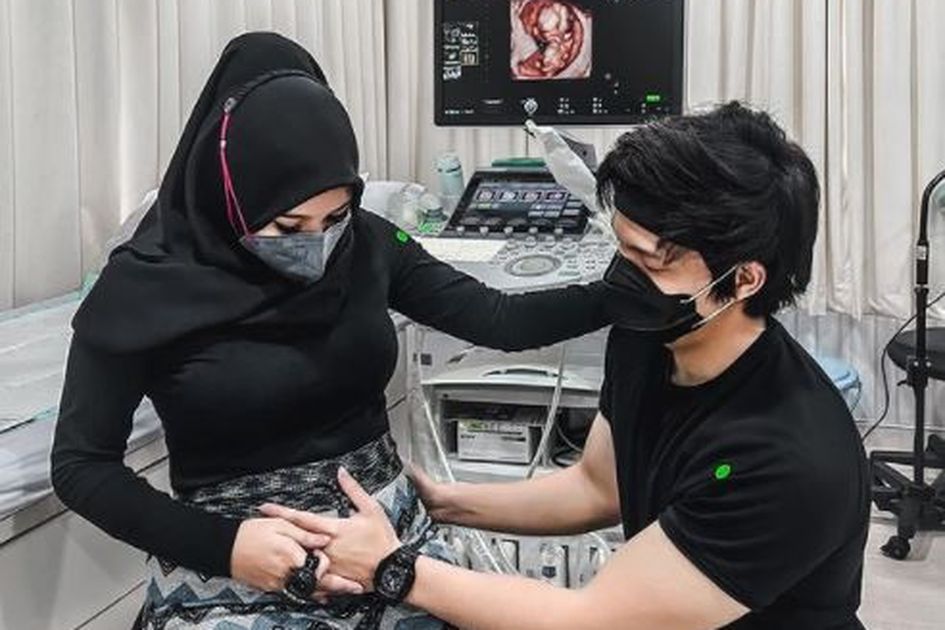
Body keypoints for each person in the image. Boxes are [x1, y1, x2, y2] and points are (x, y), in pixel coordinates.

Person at [50, 32, 611, 629]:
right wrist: (229, 548)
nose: (316, 245)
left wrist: (631, 289)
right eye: (289, 226)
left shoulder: (367, 243)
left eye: (335, 217)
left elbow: (499, 319)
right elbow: (82, 466)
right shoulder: (143, 287)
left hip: (388, 543)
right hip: (236, 569)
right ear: (233, 195)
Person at [265, 102, 871, 630]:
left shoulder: (785, 459)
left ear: (743, 280)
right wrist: (442, 502)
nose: (623, 276)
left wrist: (391, 569)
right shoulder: (650, 339)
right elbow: (597, 488)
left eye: (650, 261)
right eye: (620, 247)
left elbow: (590, 619)